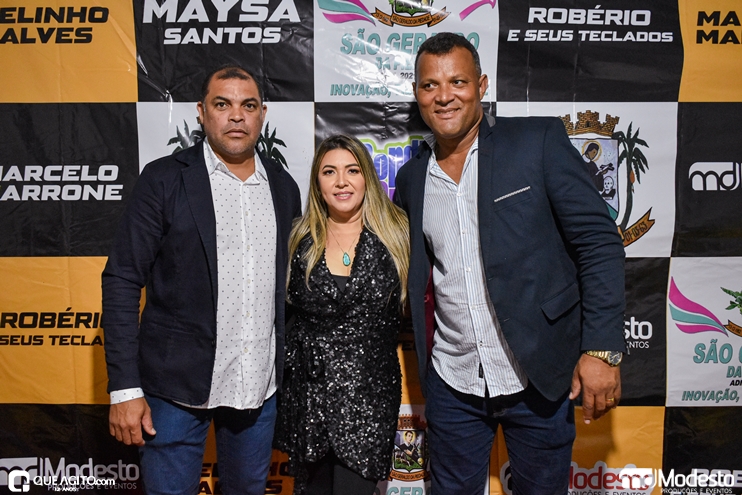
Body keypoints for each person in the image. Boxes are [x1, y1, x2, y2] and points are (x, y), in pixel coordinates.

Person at [393, 33, 626, 494]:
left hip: (538, 376)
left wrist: (601, 349)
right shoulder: (412, 177)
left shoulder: (536, 142)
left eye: (458, 82)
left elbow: (598, 243)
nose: (444, 96)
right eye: (430, 85)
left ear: (481, 86)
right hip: (453, 380)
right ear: (417, 93)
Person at [102, 64, 301, 494]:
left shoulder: (283, 187)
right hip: (174, 389)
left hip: (257, 389)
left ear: (262, 114)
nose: (236, 115)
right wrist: (124, 388)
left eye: (248, 105)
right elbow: (122, 279)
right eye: (222, 104)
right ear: (201, 111)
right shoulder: (163, 179)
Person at [274, 134, 409, 495]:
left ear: (367, 177)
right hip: (309, 399)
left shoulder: (399, 234)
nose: (341, 182)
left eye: (352, 170)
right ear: (318, 184)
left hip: (369, 400)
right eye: (329, 172)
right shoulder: (298, 238)